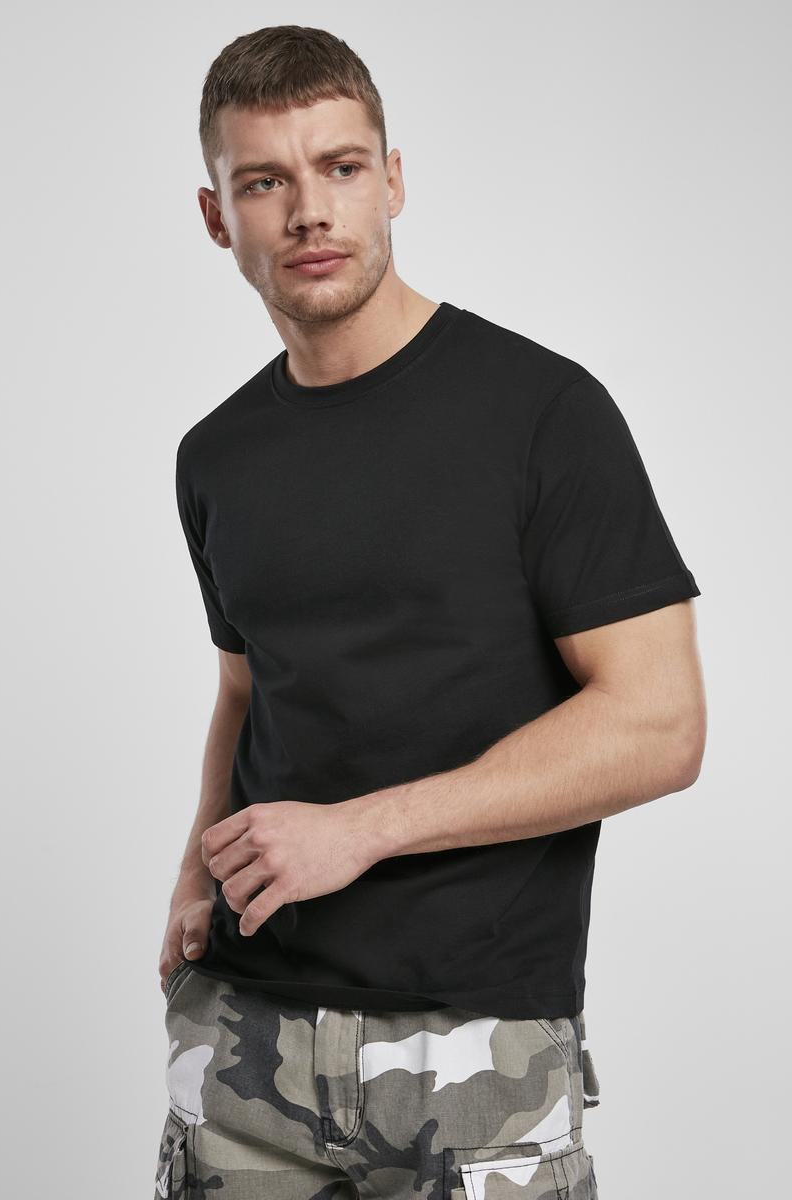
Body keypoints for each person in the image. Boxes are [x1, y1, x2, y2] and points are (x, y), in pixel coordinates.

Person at [153, 24, 706, 1200]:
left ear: (393, 180)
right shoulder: (215, 454)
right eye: (266, 181)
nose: (311, 211)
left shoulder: (545, 414)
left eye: (342, 167)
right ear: (217, 216)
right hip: (245, 1039)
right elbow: (246, 685)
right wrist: (196, 868)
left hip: (475, 1048)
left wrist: (359, 830)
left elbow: (661, 726)